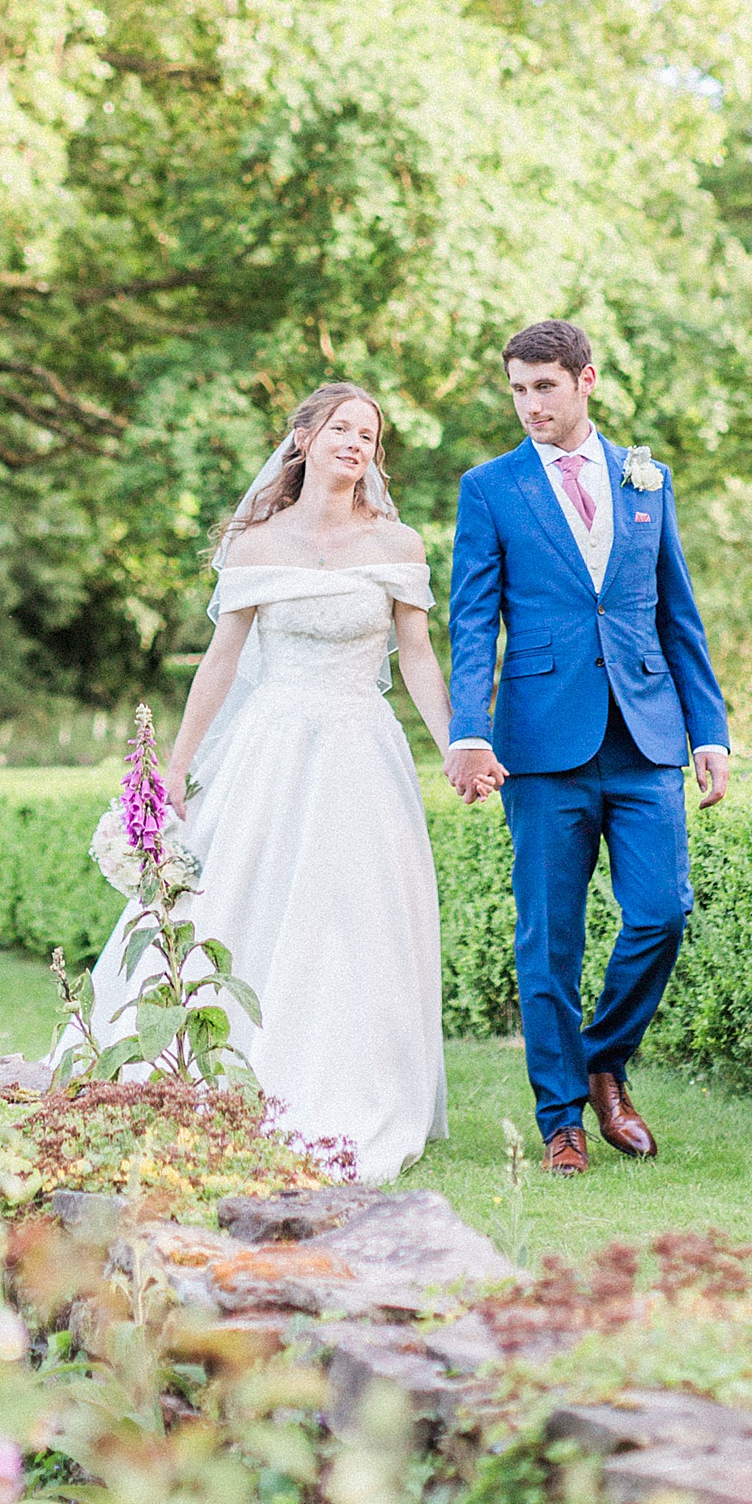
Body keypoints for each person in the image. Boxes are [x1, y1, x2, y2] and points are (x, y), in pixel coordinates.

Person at [76, 380, 449, 1183]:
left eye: (369, 435)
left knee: (357, 909)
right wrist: (173, 770)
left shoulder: (399, 544)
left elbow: (415, 655)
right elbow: (222, 663)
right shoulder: (255, 546)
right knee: (252, 896)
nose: (356, 442)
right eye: (342, 428)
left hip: (360, 749)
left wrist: (458, 745)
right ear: (305, 438)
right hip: (271, 748)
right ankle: (216, 1057)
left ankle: (356, 1080)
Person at [445, 320, 729, 1176]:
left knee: (661, 913)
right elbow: (471, 618)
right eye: (518, 390)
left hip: (645, 733)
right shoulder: (489, 488)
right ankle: (561, 1118)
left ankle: (601, 1058)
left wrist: (708, 729)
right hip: (541, 740)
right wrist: (469, 729)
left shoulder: (648, 479)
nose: (530, 405)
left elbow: (676, 609)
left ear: (586, 380)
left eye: (545, 387)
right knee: (549, 941)